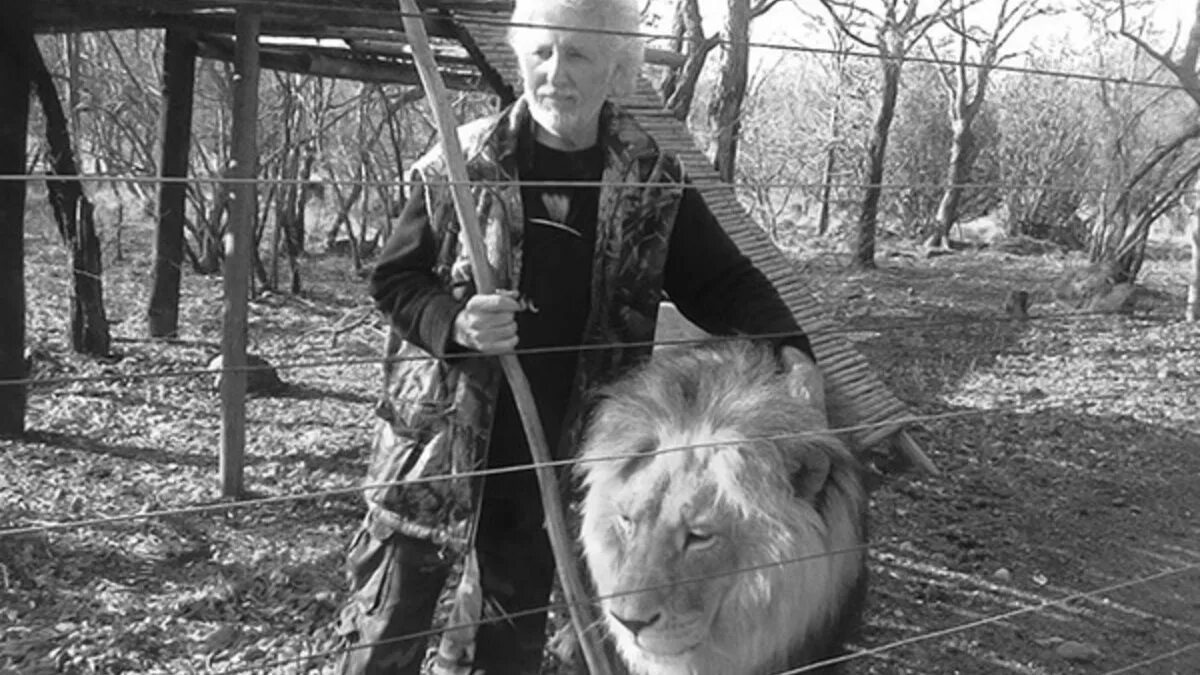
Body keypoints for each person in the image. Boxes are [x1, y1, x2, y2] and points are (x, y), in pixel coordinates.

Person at [335, 0, 827, 673]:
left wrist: (791, 346)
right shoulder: (462, 161)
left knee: (506, 643)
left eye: (579, 55)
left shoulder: (649, 178)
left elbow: (724, 282)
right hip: (437, 449)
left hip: (553, 459)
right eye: (542, 53)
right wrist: (455, 323)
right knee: (384, 632)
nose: (556, 73)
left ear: (617, 69)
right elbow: (395, 278)